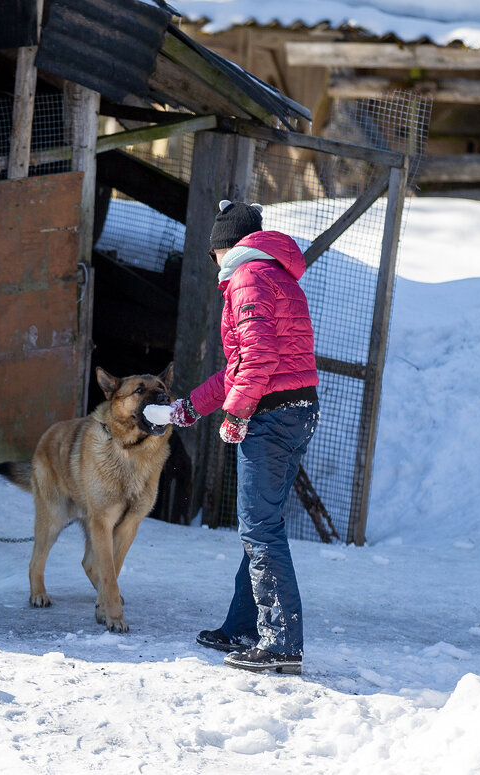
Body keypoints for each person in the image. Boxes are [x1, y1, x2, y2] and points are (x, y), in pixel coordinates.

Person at [168, 200, 319, 675]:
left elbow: (258, 358)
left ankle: (282, 643)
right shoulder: (274, 273)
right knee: (261, 523)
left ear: (222, 247)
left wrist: (235, 414)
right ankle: (244, 627)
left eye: (212, 251)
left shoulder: (249, 276)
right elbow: (240, 367)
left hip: (273, 417)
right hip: (294, 409)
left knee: (259, 528)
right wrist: (193, 405)